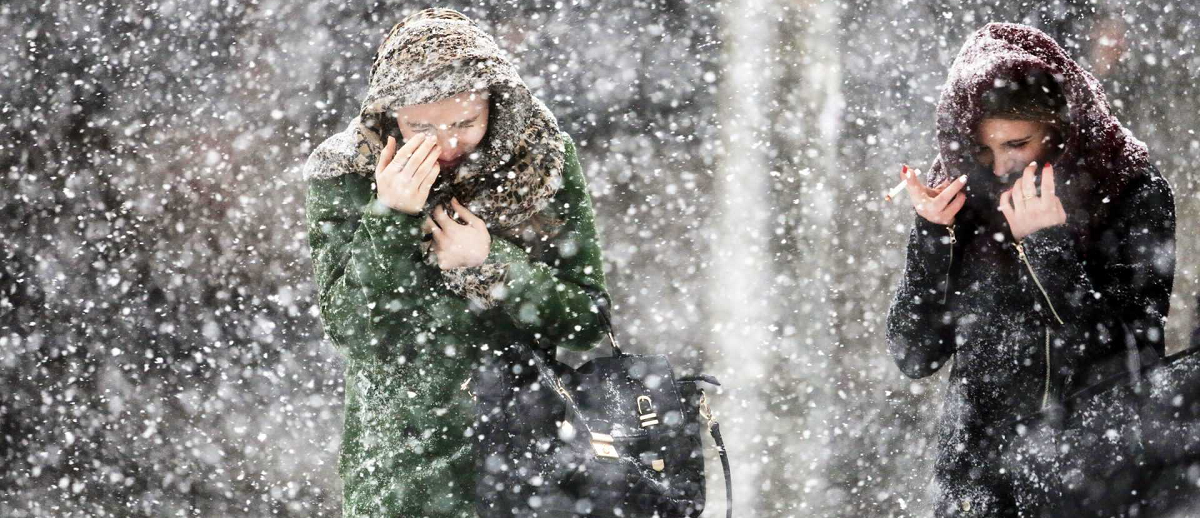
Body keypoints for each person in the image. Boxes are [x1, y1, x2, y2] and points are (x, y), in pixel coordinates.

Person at [303, 9, 609, 517]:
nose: (446, 144)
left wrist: (491, 262)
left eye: (465, 122)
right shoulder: (346, 170)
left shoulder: (542, 159)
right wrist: (391, 215)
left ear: (497, 103)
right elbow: (355, 331)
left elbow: (585, 322)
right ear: (389, 113)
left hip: (530, 462)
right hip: (401, 474)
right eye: (421, 125)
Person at [886, 23, 1175, 516]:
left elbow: (1133, 359)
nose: (999, 167)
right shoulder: (962, 199)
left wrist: (1047, 245)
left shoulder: (1131, 189)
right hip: (975, 491)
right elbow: (915, 356)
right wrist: (934, 236)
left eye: (1017, 144)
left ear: (1060, 130)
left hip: (1094, 484)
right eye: (983, 150)